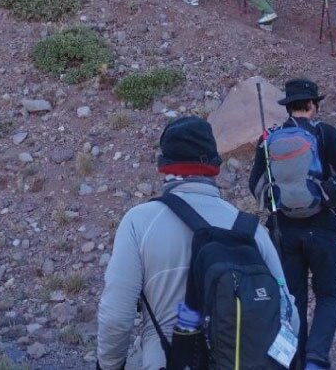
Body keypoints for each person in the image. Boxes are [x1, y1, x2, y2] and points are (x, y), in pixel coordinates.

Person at [97, 117, 298, 370]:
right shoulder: (252, 230)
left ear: (166, 168)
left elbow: (116, 318)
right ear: (215, 167)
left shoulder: (139, 223)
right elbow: (290, 315)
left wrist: (108, 365)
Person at [249, 79, 336, 370]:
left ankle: (295, 362)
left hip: (283, 231)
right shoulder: (324, 134)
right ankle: (315, 359)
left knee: (294, 300)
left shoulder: (270, 137)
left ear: (288, 107)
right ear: (313, 105)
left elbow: (255, 184)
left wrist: (276, 199)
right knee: (328, 297)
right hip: (322, 227)